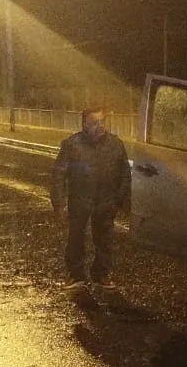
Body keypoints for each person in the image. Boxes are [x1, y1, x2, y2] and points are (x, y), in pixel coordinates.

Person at [50, 107, 131, 289]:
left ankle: (101, 275)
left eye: (102, 121)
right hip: (80, 200)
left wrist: (119, 199)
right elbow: (59, 174)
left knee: (105, 239)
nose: (99, 126)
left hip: (106, 200)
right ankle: (75, 275)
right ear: (84, 124)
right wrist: (59, 203)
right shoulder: (72, 144)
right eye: (94, 122)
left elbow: (124, 173)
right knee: (76, 238)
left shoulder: (115, 144)